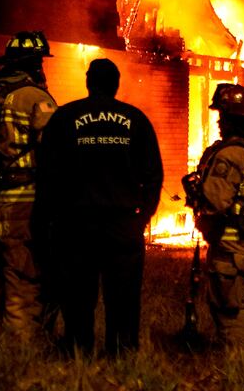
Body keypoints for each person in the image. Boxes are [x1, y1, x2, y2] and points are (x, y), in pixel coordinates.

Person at [37, 57, 162, 355]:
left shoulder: (66, 117)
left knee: (78, 292)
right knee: (123, 293)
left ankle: (79, 348)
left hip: (76, 223)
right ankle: (122, 352)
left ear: (88, 82)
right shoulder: (136, 119)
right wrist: (142, 216)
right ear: (116, 84)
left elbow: (48, 172)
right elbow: (154, 175)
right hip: (123, 224)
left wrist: (52, 217)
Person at [184, 83, 244, 351]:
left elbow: (214, 201)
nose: (218, 123)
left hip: (233, 252)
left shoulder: (230, 155)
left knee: (232, 313)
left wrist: (196, 194)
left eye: (222, 116)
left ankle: (243, 374)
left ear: (231, 119)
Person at [0, 31, 58, 339]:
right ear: (35, 64)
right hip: (23, 203)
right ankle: (20, 353)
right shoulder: (35, 98)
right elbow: (53, 151)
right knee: (22, 279)